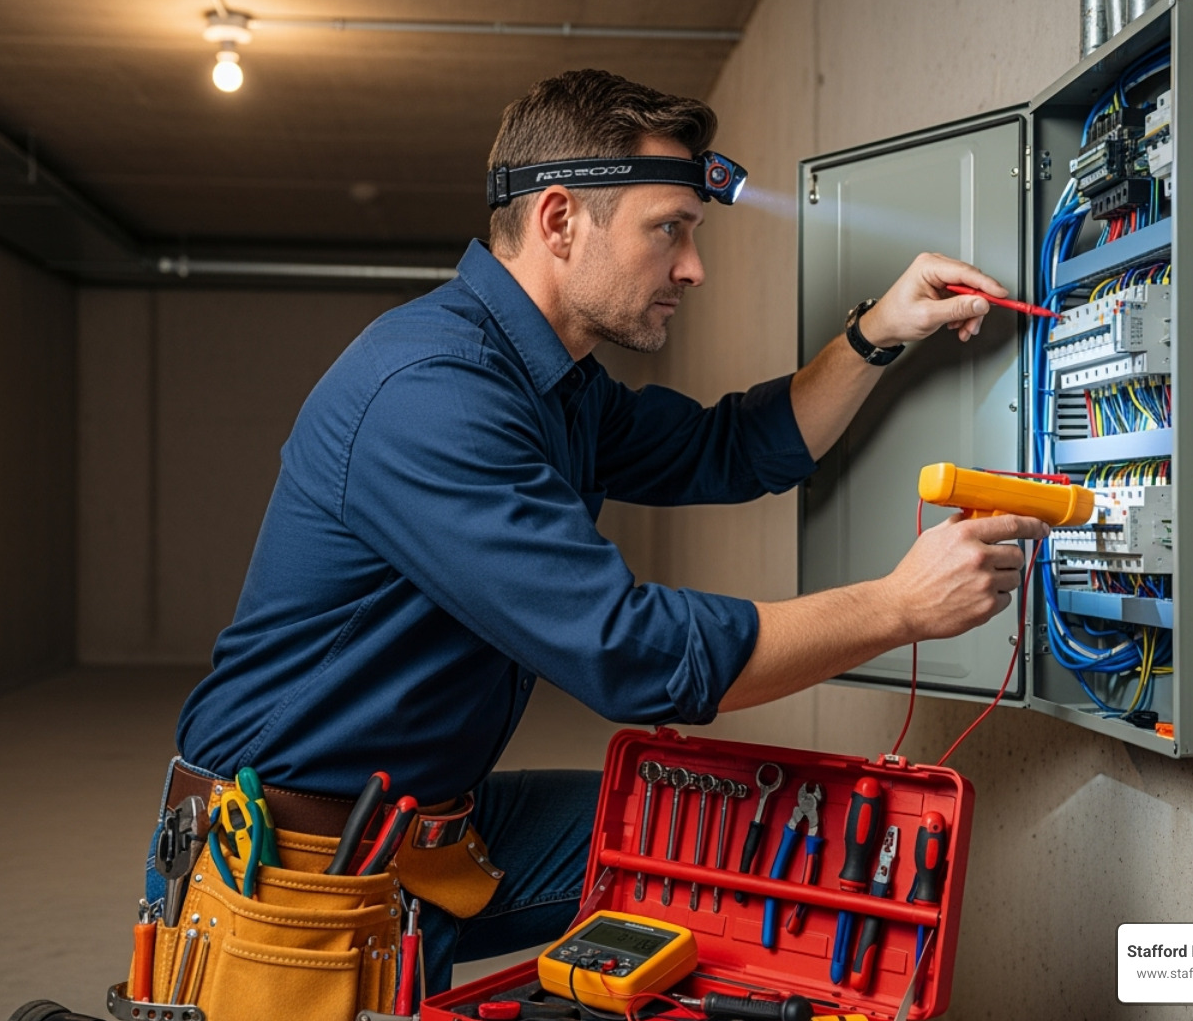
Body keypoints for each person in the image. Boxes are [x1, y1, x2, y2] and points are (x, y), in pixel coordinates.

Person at [152, 69, 1047, 995]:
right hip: (288, 864)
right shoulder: (430, 395)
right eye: (671, 229)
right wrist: (899, 607)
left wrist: (876, 332)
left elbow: (732, 449)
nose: (693, 267)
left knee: (759, 841)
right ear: (557, 221)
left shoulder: (555, 383)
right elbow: (632, 657)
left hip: (427, 825)